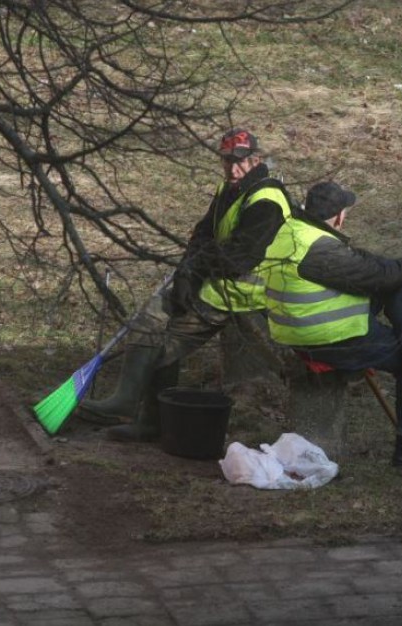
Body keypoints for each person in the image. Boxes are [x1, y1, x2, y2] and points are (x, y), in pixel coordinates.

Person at [80, 129, 294, 441]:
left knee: (164, 340)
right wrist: (186, 272)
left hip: (244, 291)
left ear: (256, 159)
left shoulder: (267, 200)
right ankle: (141, 413)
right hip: (219, 281)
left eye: (240, 162)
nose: (232, 169)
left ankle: (140, 412)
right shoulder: (230, 188)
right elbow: (203, 234)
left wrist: (195, 272)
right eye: (226, 161)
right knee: (152, 315)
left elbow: (239, 259)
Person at [260, 181, 402, 469]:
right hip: (328, 337)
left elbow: (363, 262)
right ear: (340, 216)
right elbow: (375, 275)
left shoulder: (295, 232)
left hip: (300, 327)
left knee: (398, 285)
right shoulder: (318, 249)